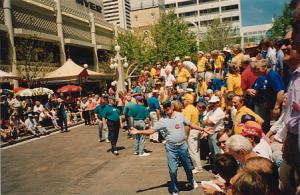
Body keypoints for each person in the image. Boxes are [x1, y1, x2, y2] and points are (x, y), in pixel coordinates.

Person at [130, 100, 204, 195]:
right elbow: (151, 130)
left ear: (172, 106)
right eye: (165, 107)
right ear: (163, 109)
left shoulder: (180, 115)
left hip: (182, 146)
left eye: (168, 106)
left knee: (188, 166)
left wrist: (203, 129)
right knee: (173, 170)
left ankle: (191, 180)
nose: (167, 108)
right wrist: (138, 132)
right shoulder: (162, 121)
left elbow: (191, 124)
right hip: (171, 148)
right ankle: (174, 188)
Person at [182, 93, 203, 174]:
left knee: (192, 150)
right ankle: (198, 166)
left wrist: (186, 135)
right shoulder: (194, 108)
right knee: (195, 150)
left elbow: (187, 124)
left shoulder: (188, 109)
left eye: (184, 100)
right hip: (196, 130)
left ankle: (198, 167)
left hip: (192, 130)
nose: (183, 101)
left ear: (187, 101)